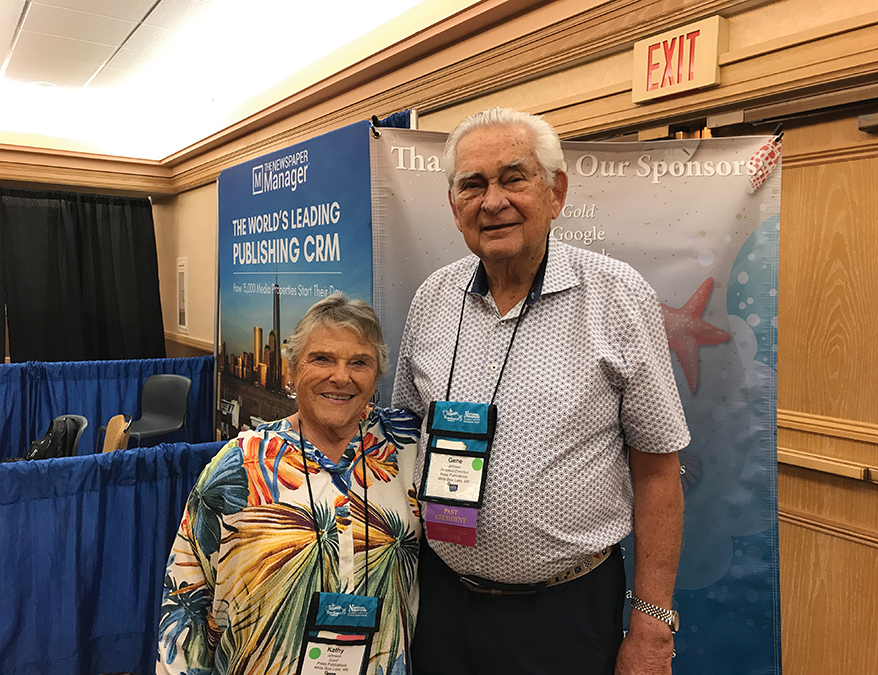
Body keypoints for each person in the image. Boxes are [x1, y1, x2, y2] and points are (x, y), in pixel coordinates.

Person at [392, 108, 691, 675]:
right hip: (440, 605)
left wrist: (653, 625)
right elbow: (403, 444)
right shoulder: (432, 299)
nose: (493, 200)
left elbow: (658, 472)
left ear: (556, 192)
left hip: (565, 615)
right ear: (454, 206)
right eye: (473, 185)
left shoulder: (617, 296)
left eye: (513, 178)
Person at [158, 294, 422, 675]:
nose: (341, 376)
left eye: (359, 362)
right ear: (292, 371)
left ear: (377, 373)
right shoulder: (241, 463)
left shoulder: (407, 451)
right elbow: (187, 594)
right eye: (322, 359)